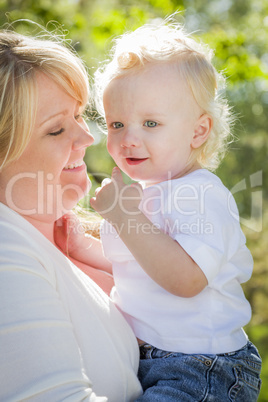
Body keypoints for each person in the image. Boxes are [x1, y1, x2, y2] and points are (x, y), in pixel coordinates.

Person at [63, 19, 262, 401]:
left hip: (202, 365)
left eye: (150, 123)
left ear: (198, 131)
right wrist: (72, 241)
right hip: (150, 359)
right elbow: (131, 267)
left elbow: (186, 280)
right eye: (117, 124)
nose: (128, 138)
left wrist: (123, 215)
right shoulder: (144, 194)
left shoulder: (202, 195)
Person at [0, 26, 143, 401]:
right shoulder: (5, 251)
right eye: (57, 129)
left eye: (79, 116)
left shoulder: (76, 242)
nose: (86, 137)